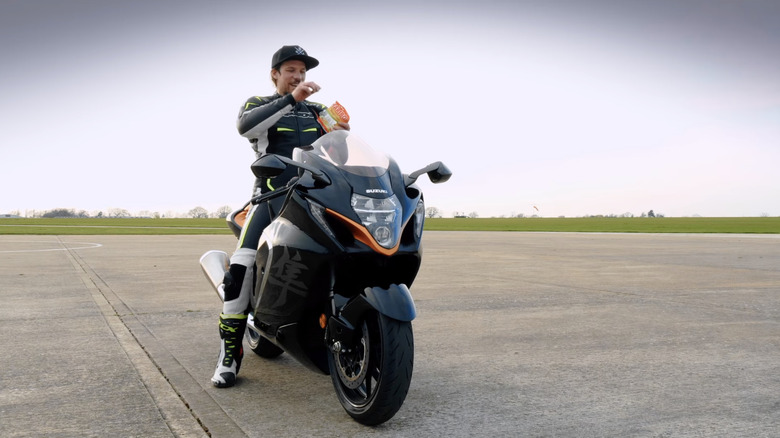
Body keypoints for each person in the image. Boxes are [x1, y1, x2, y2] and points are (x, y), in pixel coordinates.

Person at [211, 45, 350, 388]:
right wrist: (292, 98)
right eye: (290, 70)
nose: (298, 76)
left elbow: (341, 156)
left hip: (315, 199)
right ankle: (230, 354)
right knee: (239, 273)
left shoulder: (322, 110)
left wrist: (344, 132)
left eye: (302, 71)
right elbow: (246, 128)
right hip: (270, 200)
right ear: (275, 74)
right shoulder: (257, 104)